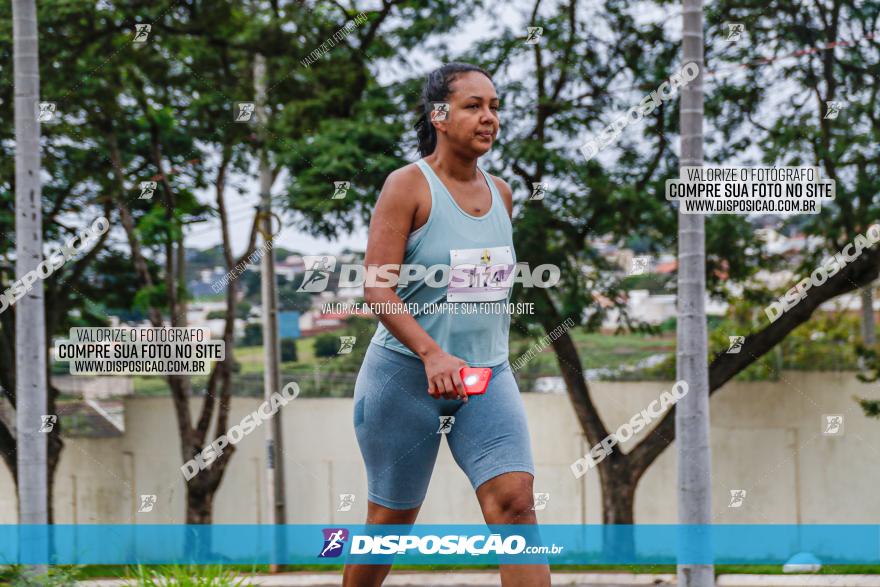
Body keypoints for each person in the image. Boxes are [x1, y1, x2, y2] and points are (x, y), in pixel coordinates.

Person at [342, 62, 550, 587]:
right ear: (439, 115)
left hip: (486, 379)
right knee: (389, 524)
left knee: (516, 507)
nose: (489, 118)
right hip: (405, 378)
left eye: (495, 107)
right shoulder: (407, 186)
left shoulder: (501, 194)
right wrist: (433, 353)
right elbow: (377, 286)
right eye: (473, 106)